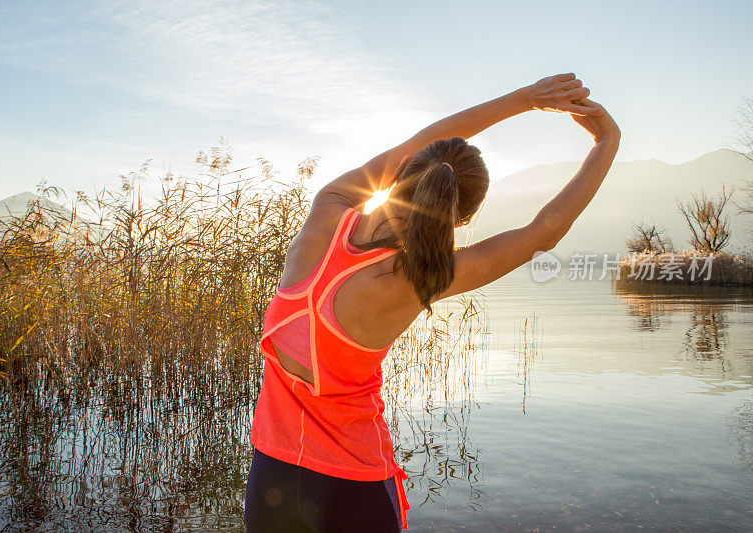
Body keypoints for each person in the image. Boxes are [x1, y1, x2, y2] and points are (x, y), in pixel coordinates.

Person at [244, 72, 620, 532]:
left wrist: (525, 100)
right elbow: (542, 231)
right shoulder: (418, 279)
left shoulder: (328, 209)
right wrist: (607, 142)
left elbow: (424, 141)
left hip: (273, 480)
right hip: (354, 485)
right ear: (460, 220)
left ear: (401, 171)